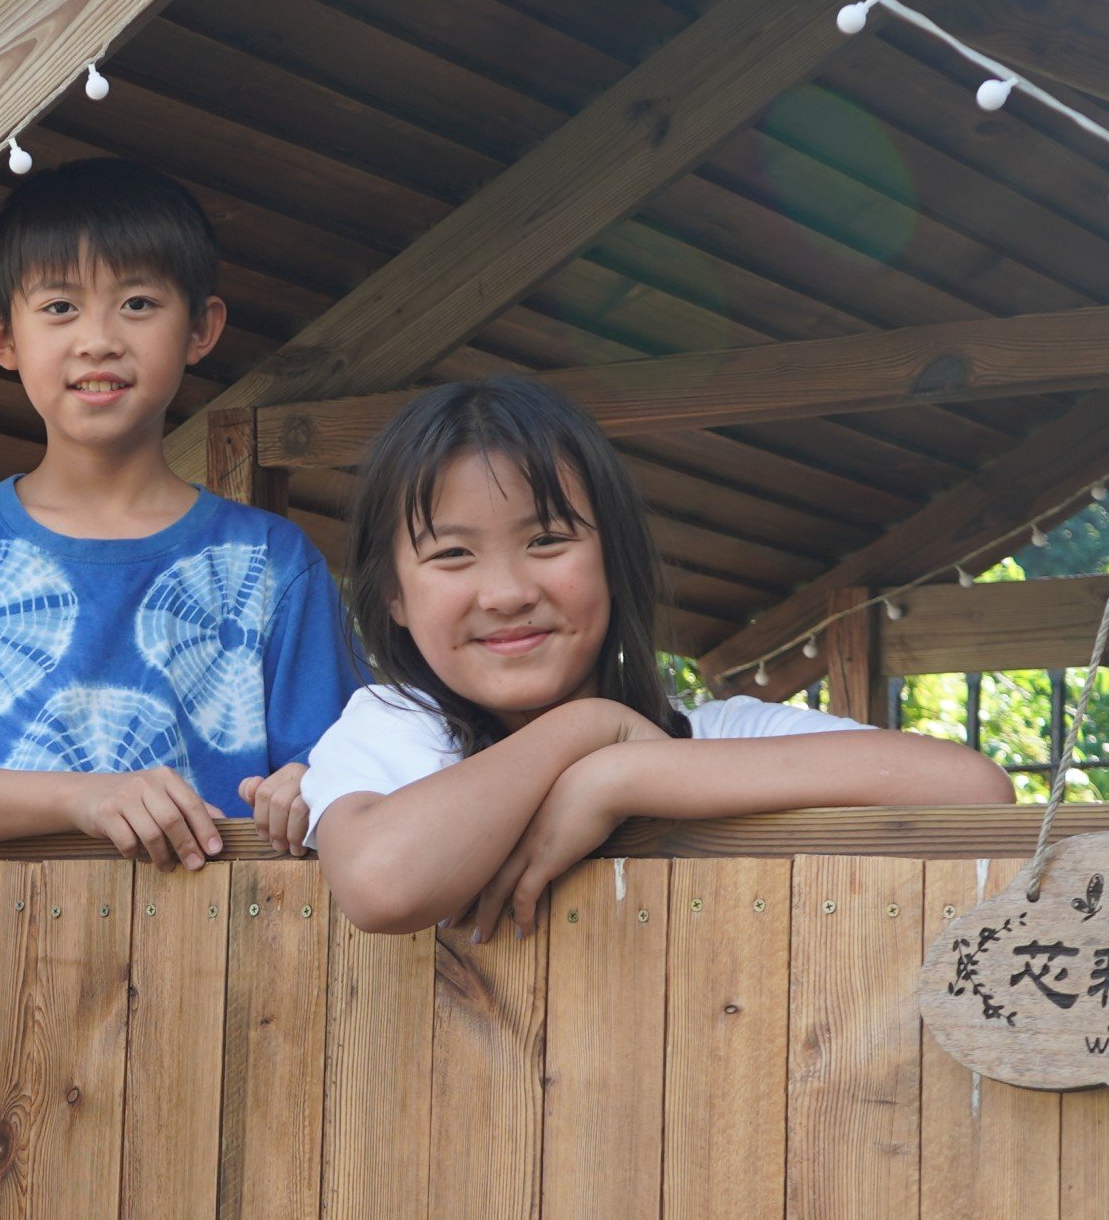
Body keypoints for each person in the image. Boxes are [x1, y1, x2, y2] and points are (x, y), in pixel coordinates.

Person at [305, 376, 1014, 937]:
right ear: (392, 594)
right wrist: (586, 731)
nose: (507, 592)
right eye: (453, 554)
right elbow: (380, 885)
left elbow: (972, 791)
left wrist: (618, 777)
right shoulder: (392, 727)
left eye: (547, 541)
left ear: (614, 559)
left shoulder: (721, 735)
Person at [0, 158, 363, 865]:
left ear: (201, 327)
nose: (98, 338)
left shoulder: (273, 562)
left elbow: (347, 776)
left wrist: (309, 784)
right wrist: (84, 797)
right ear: (1, 337)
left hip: (227, 954)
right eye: (58, 307)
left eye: (138, 303)